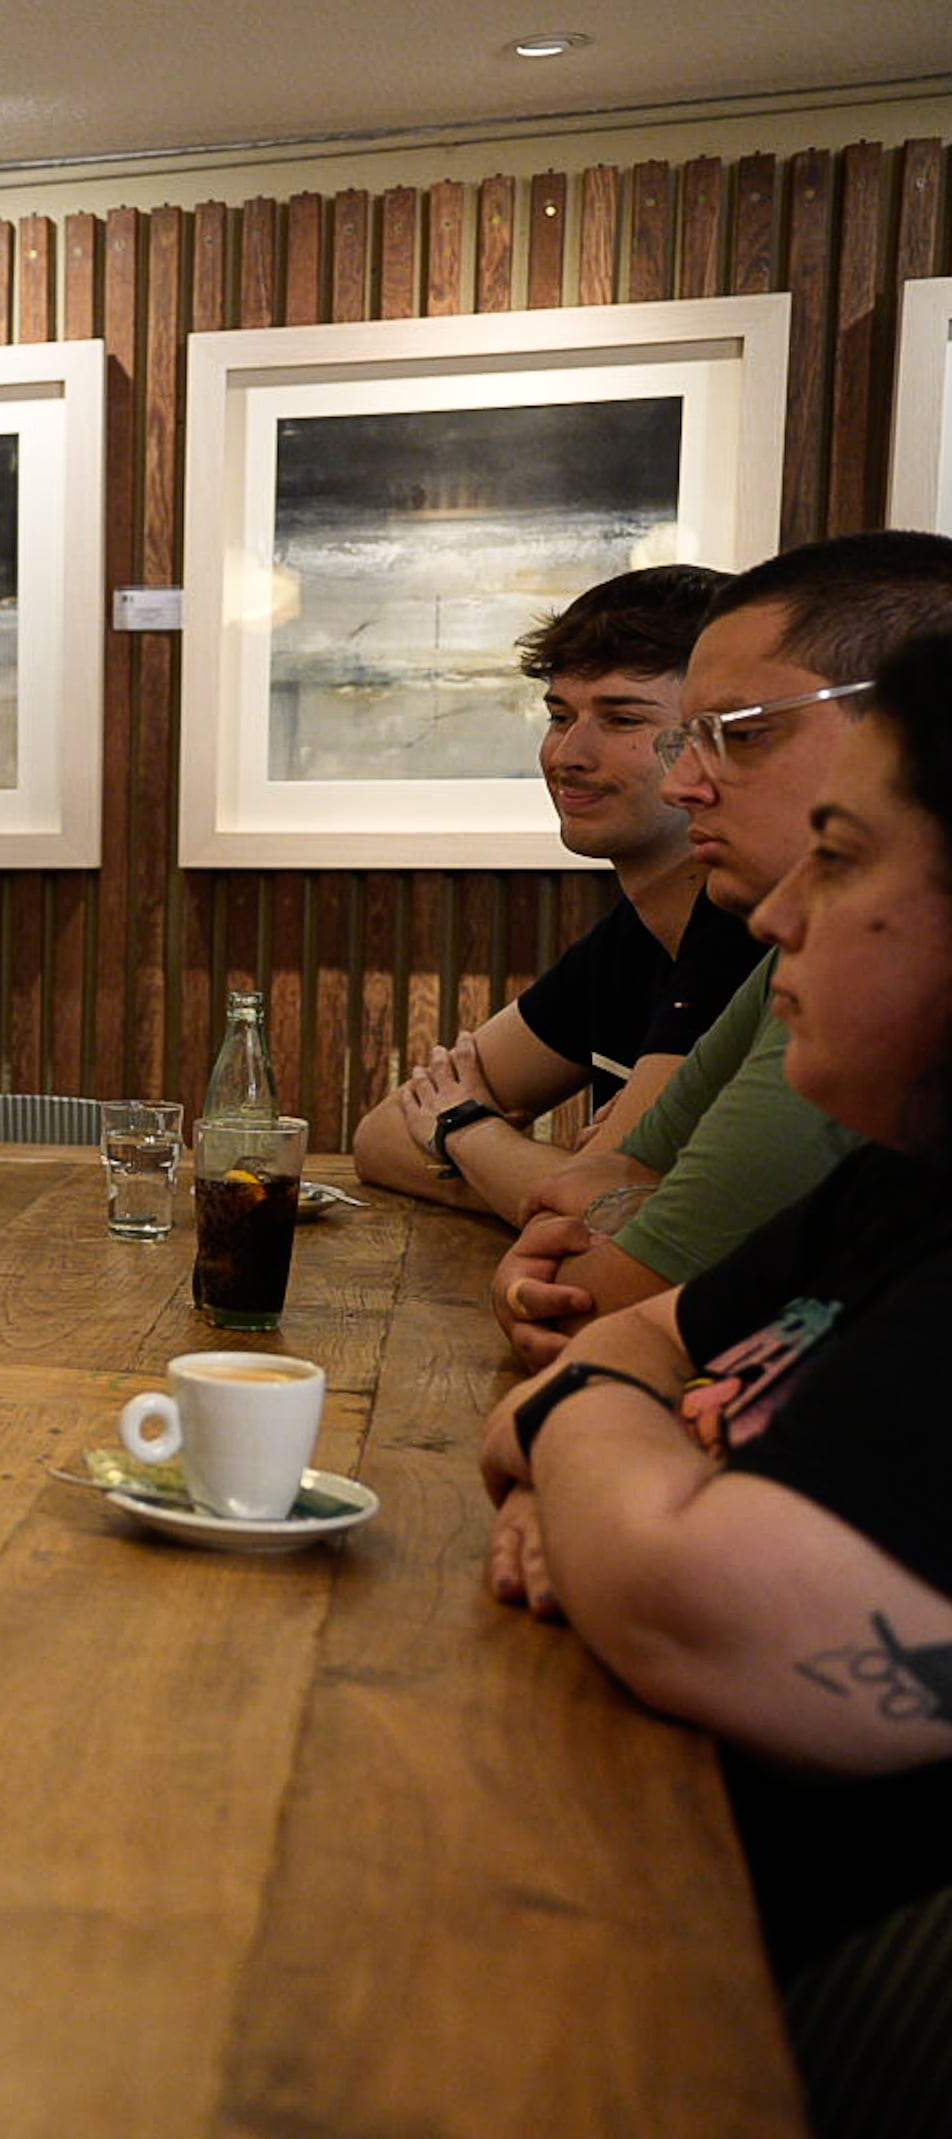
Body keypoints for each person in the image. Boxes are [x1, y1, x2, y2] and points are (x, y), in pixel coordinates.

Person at [478, 633, 952, 2133]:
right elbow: (572, 1374)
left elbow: (706, 1600)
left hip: (747, 2030)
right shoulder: (899, 1183)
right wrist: (630, 1465)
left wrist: (626, 1488)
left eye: (844, 856)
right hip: (641, 1860)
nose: (790, 915)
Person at [489, 532, 952, 1367]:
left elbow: (593, 1308)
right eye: (687, 737)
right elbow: (587, 1192)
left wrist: (613, 1219)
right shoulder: (784, 941)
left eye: (740, 735)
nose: (682, 783)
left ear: (903, 724)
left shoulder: (888, 971)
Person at [354, 566, 757, 1218]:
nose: (569, 752)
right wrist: (544, 1182)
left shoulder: (748, 930)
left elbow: (613, 1211)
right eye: (559, 715)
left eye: (622, 717)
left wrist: (463, 1128)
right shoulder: (632, 936)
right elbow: (378, 1138)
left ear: (717, 740)